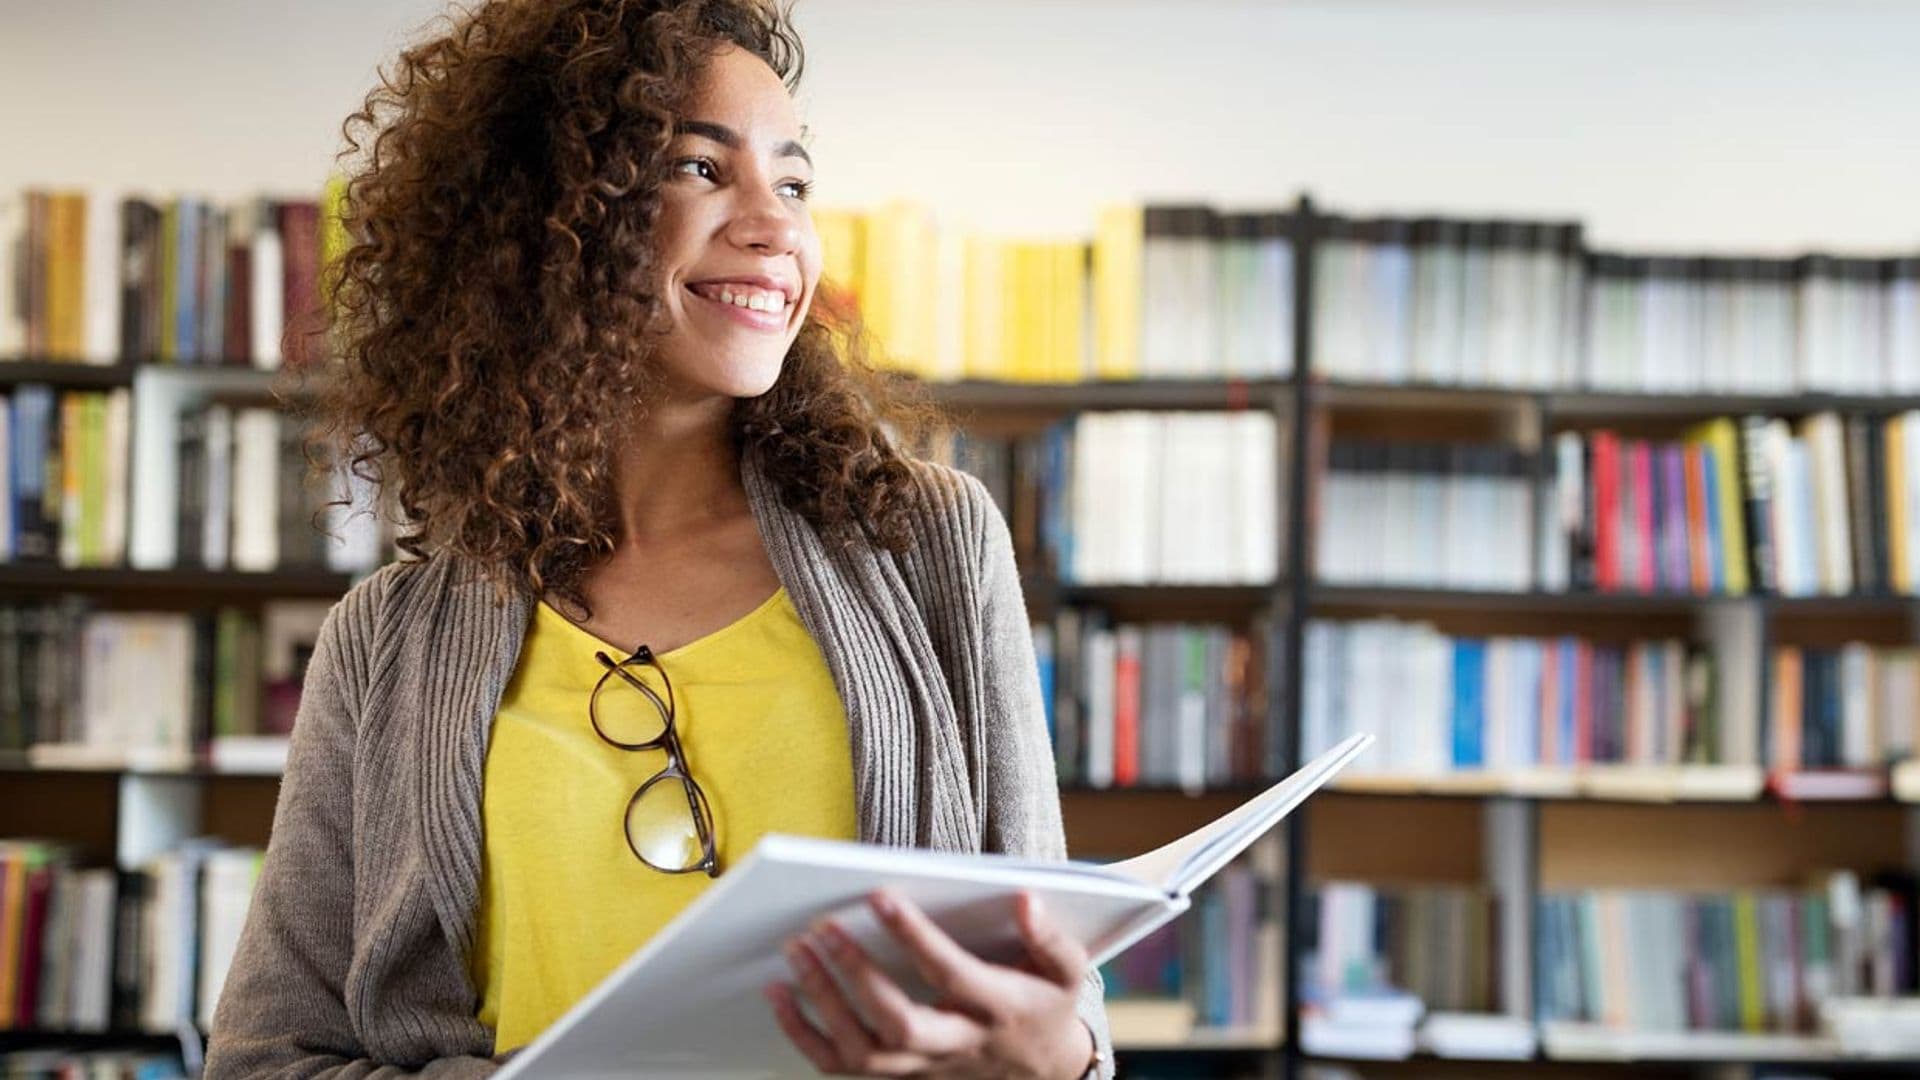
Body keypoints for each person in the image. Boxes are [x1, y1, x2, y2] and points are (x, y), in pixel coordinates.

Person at [202, 1, 1113, 1077]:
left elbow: (1059, 1002)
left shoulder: (928, 545)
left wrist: (1061, 1059)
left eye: (795, 181)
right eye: (698, 168)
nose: (775, 225)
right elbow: (267, 1060)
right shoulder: (386, 640)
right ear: (545, 220)